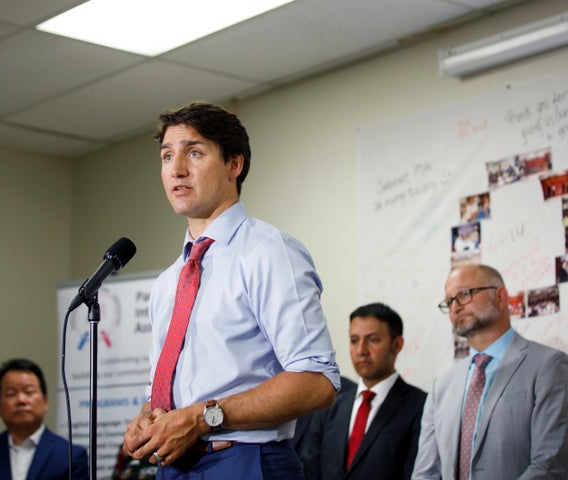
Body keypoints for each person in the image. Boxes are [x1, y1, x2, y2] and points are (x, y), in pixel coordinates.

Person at [122, 101, 340, 480]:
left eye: (194, 152)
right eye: (167, 156)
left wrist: (202, 418)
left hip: (245, 462)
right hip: (173, 467)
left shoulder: (269, 252)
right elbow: (174, 391)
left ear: (233, 165)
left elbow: (316, 382)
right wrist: (146, 420)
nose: (176, 169)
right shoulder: (167, 282)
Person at [412, 264, 568, 479]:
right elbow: (425, 473)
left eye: (464, 294)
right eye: (449, 301)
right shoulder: (441, 386)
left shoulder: (549, 365)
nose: (455, 307)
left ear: (501, 297)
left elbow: (550, 464)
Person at [300, 303, 426, 479]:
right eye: (354, 340)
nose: (361, 351)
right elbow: (309, 471)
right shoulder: (330, 406)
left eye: (373, 340)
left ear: (397, 345)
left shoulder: (421, 406)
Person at [0, 358, 89, 480]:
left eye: (29, 392)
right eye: (11, 394)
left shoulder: (70, 456)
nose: (21, 400)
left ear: (45, 401)